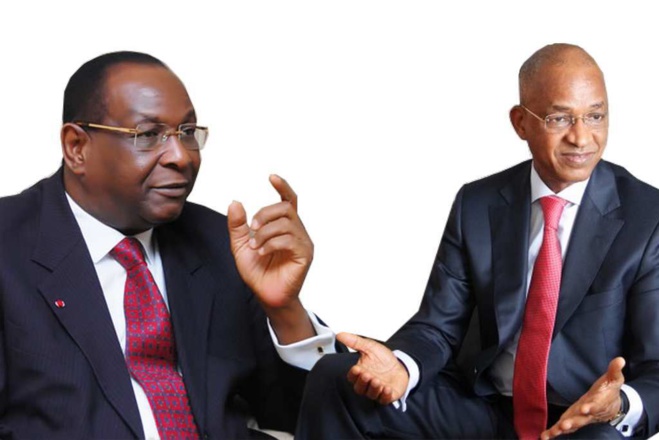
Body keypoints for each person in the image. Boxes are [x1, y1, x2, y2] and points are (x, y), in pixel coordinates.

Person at [296, 43, 659, 439]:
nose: (581, 137)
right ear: (521, 123)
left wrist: (621, 404)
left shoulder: (648, 218)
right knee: (335, 378)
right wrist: (401, 366)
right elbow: (439, 325)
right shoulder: (478, 203)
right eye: (559, 118)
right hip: (484, 406)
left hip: (581, 418)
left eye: (595, 116)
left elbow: (657, 367)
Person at [0, 51, 336, 439]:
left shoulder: (222, 244)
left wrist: (285, 312)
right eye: (148, 135)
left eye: (187, 132)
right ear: (77, 146)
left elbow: (306, 419)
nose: (181, 156)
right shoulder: (9, 246)